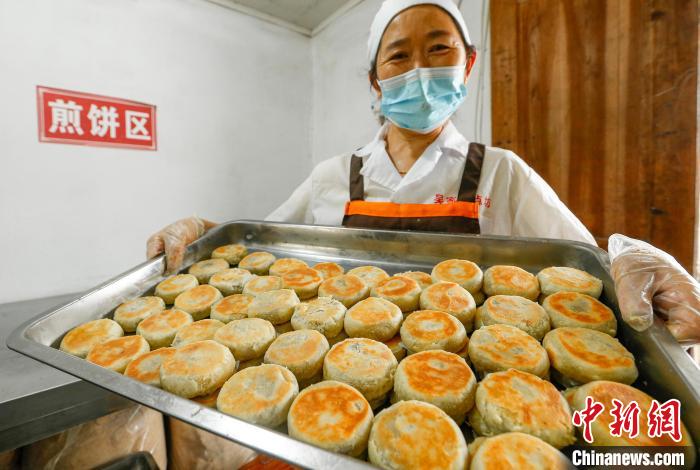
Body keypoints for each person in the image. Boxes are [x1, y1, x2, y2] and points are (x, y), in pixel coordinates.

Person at [147, 0, 699, 344]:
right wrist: (203, 230)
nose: (419, 70)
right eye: (398, 56)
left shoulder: (500, 172)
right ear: (375, 81)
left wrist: (635, 260)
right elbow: (258, 250)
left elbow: (587, 268)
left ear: (468, 64)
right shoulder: (333, 176)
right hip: (344, 363)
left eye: (439, 50)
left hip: (479, 362)